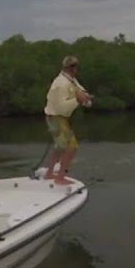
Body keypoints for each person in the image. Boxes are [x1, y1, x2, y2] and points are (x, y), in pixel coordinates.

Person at [43, 55, 92, 186]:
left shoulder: (70, 80)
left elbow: (80, 89)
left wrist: (85, 96)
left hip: (57, 118)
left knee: (59, 147)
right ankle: (60, 178)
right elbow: (62, 107)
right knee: (71, 147)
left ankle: (49, 173)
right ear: (74, 68)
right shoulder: (62, 83)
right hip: (57, 117)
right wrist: (78, 100)